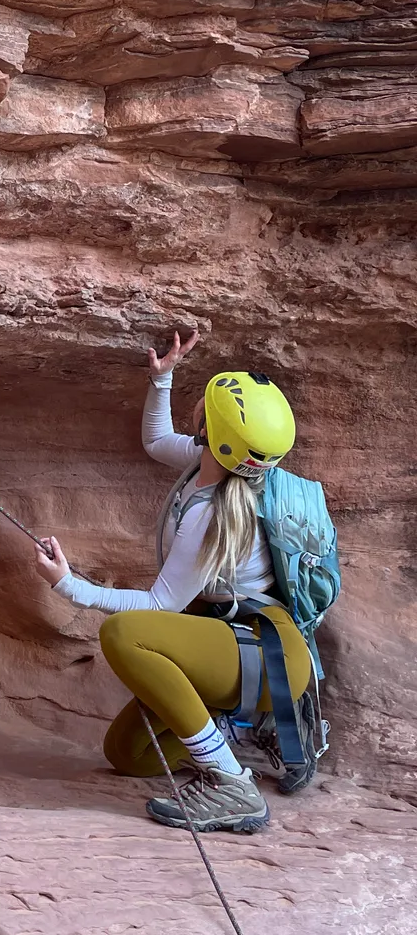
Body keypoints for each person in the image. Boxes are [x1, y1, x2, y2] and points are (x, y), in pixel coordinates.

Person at [33, 331, 312, 833]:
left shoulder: (214, 512)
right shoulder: (215, 465)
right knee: (128, 754)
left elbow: (159, 606)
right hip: (240, 642)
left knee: (124, 634)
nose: (200, 411)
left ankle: (232, 784)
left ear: (213, 428)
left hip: (266, 651)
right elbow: (156, 441)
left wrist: (69, 585)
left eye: (206, 408)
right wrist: (162, 380)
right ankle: (232, 729)